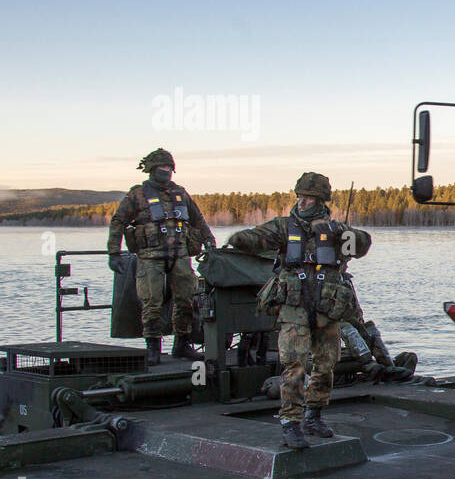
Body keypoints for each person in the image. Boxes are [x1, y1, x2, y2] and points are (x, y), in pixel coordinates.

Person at [227, 172, 372, 448]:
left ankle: (313, 415)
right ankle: (290, 423)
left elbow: (362, 245)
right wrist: (239, 239)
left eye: (308, 198)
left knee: (327, 364)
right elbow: (252, 239)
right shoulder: (284, 227)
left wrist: (338, 232)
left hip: (326, 307)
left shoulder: (336, 230)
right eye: (300, 197)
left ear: (320, 201)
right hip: (294, 307)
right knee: (294, 366)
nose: (302, 202)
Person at [107, 148, 216, 365]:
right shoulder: (137, 195)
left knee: (186, 299)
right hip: (150, 256)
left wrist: (209, 241)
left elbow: (198, 220)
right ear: (151, 170)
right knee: (152, 303)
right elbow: (118, 222)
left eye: (169, 168)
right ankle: (153, 348)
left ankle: (182, 344)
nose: (165, 172)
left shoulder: (181, 194)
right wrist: (114, 253)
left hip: (180, 254)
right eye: (161, 169)